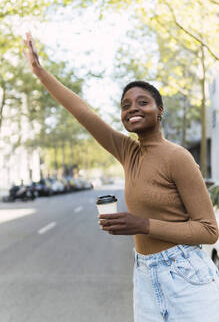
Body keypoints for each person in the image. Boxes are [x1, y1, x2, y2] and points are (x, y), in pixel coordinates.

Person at [23, 32, 219, 322]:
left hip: (185, 274)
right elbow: (82, 111)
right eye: (126, 105)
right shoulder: (128, 152)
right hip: (144, 274)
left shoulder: (178, 157)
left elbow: (208, 230)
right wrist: (39, 71)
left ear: (159, 110)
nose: (133, 109)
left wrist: (141, 225)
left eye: (143, 102)